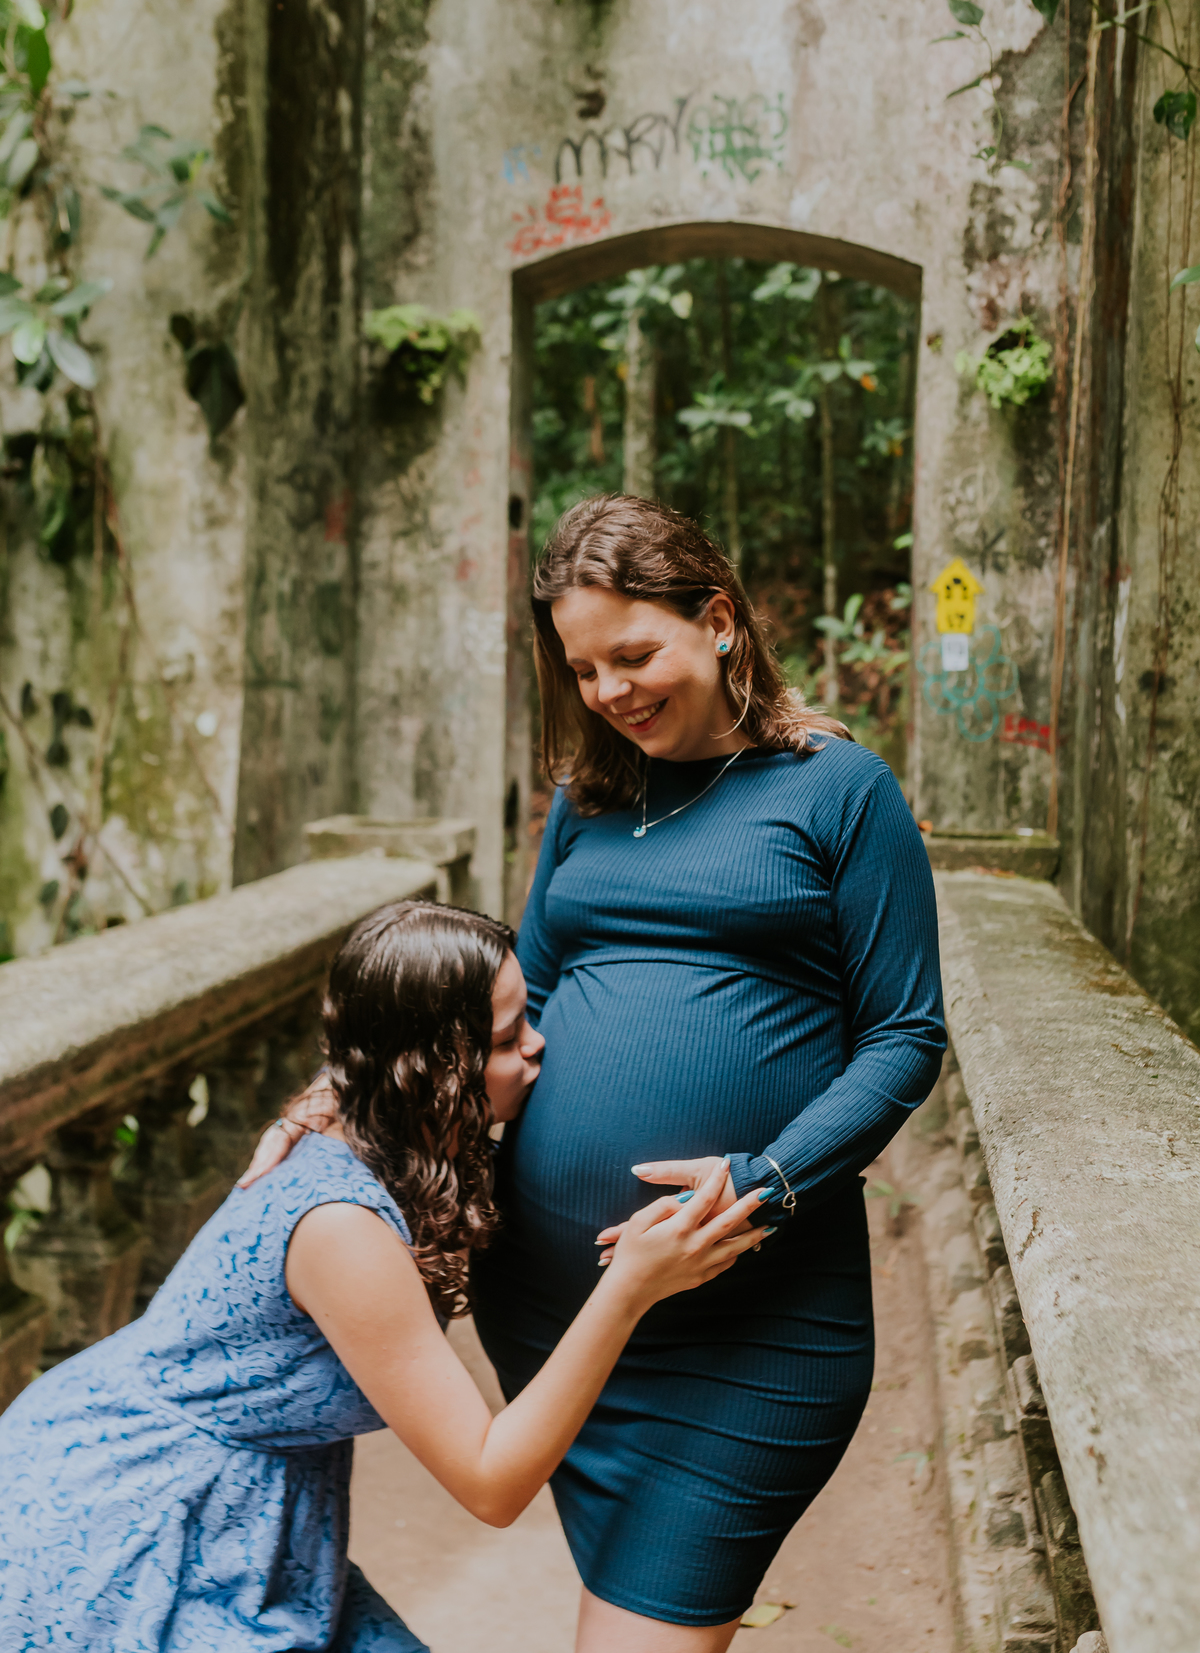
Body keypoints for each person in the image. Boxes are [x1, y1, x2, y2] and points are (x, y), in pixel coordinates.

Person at [248, 494, 946, 1653]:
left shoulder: (839, 792)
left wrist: (766, 1179)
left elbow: (905, 1036)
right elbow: (519, 1005)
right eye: (584, 670)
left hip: (749, 1330)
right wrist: (348, 1096)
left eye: (635, 653)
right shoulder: (587, 800)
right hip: (558, 1318)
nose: (612, 691)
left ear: (718, 620)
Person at [0, 898, 767, 1651]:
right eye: (506, 1038)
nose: (537, 1048)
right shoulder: (343, 1230)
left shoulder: (385, 1121)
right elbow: (491, 1482)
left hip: (263, 1506)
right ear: (432, 1072)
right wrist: (628, 1290)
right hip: (136, 1510)